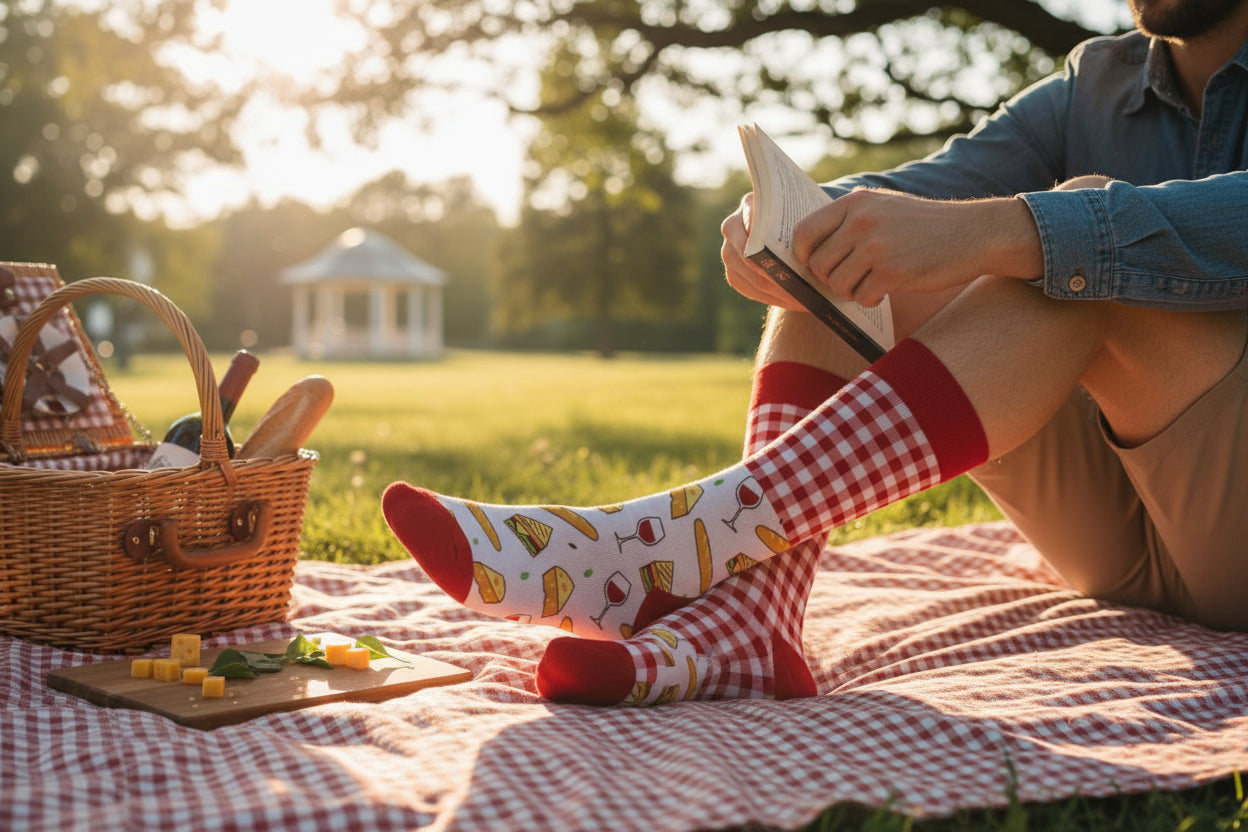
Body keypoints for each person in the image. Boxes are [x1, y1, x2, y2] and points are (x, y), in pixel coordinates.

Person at [384, 0, 1248, 707]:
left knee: (1082, 241)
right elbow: (918, 199)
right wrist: (799, 220)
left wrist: (1007, 228)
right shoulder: (1094, 81)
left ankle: (657, 545)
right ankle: (752, 621)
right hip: (1113, 533)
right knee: (840, 262)